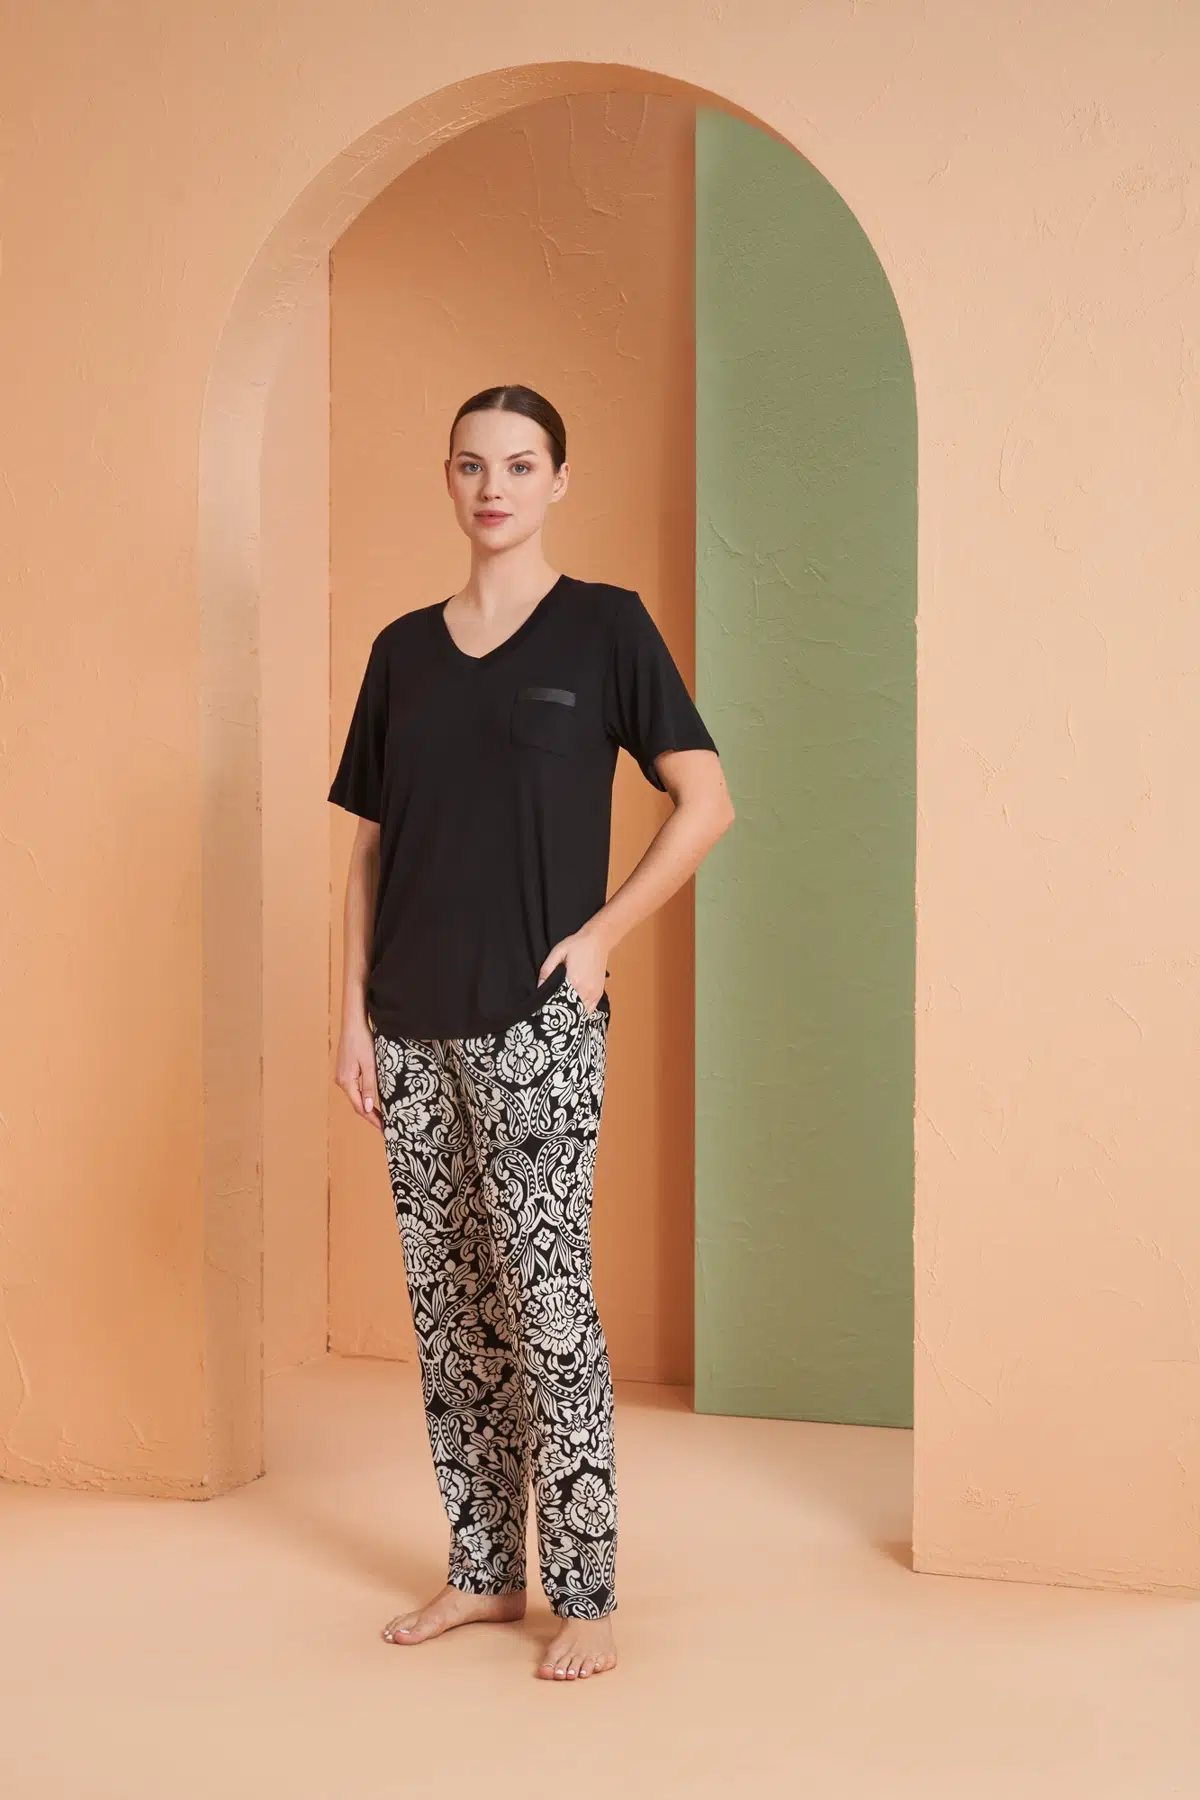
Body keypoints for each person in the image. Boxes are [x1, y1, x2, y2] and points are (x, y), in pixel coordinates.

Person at [328, 383, 735, 1682]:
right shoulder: (401, 652)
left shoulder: (607, 629)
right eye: (470, 465)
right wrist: (350, 1014)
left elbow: (707, 801)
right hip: (410, 1027)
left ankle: (588, 1592)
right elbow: (369, 852)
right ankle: (485, 1573)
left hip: (538, 1023)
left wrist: (604, 934)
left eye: (518, 464)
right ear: (447, 480)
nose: (492, 486)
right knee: (454, 1318)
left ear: (558, 479)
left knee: (547, 1310)